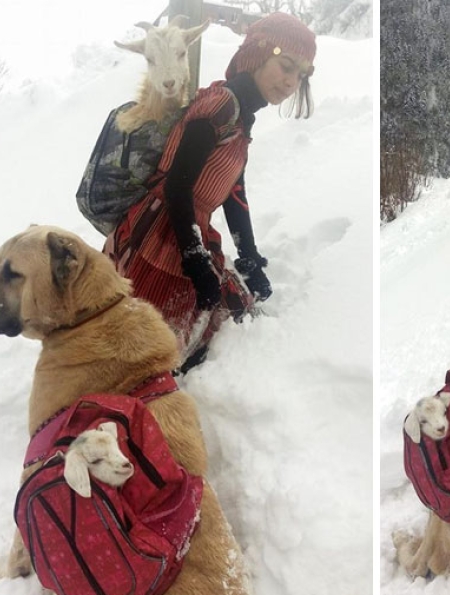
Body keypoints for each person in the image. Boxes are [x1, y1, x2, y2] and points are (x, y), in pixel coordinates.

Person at [104, 12, 317, 372]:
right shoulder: (222, 105)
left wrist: (248, 256)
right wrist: (194, 258)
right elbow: (177, 184)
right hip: (163, 233)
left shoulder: (241, 115)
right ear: (257, 55)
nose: (291, 81)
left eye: (301, 74)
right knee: (148, 352)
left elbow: (235, 192)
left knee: (229, 322)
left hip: (187, 231)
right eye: (285, 66)